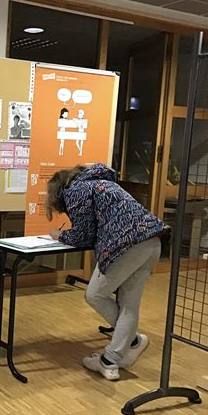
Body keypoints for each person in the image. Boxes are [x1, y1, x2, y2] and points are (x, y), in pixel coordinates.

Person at [46, 163, 164, 381]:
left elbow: (82, 236)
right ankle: (112, 359)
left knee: (95, 295)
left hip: (125, 245)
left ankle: (131, 342)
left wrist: (58, 235)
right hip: (152, 242)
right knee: (129, 304)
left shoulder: (76, 191)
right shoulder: (103, 183)